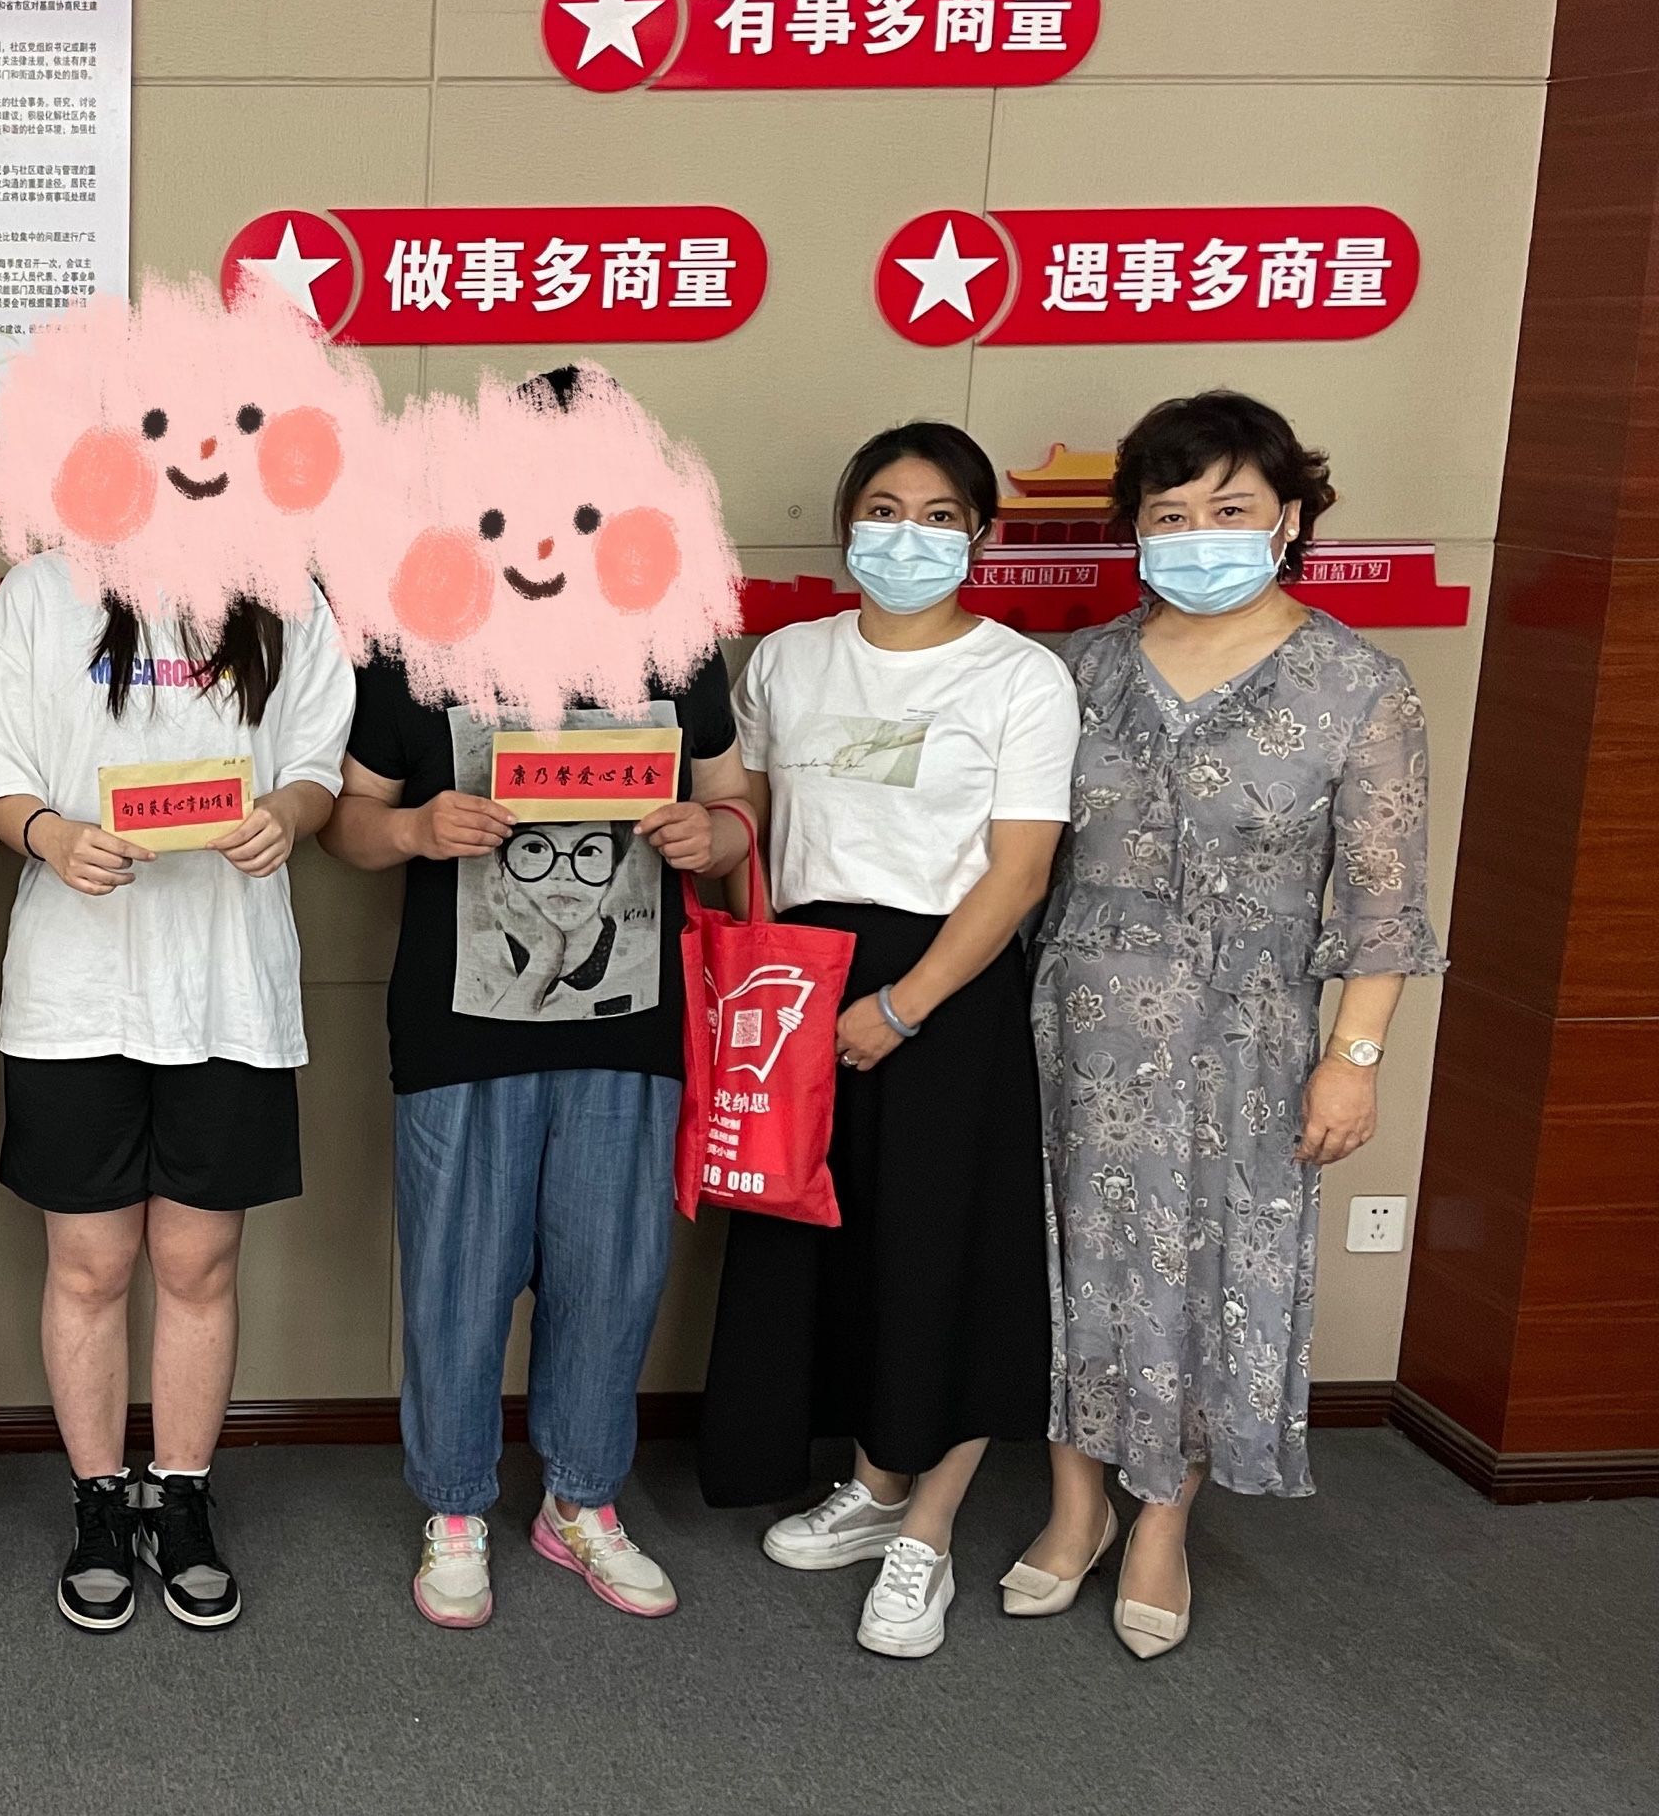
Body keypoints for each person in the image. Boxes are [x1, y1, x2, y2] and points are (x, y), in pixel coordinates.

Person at [1005, 393, 1444, 1658]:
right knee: (1068, 1259)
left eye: (1231, 509)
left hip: (1244, 1042)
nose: (1200, 536)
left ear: (1289, 517)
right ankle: (1075, 1507)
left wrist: (1353, 1061)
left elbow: (1382, 905)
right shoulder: (1077, 671)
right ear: (1136, 531)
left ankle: (1162, 1522)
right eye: (1172, 514)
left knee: (1207, 1273)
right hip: (1073, 1024)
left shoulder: (1358, 686)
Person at [322, 377, 758, 1629]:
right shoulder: (415, 642)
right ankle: (456, 1505)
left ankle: (582, 1500)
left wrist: (713, 834)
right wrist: (416, 829)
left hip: (632, 1024)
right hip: (459, 1029)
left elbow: (738, 806)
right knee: (458, 1282)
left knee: (610, 1278)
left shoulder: (676, 641)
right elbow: (346, 825)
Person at [696, 422, 1076, 1659]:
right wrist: (759, 967)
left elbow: (1019, 873)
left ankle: (927, 1534)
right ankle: (868, 1487)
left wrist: (906, 1005)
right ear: (846, 522)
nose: (906, 537)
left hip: (945, 993)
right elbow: (749, 824)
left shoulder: (1020, 678)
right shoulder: (788, 661)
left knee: (943, 1259)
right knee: (827, 1248)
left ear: (982, 536)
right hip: (802, 983)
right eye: (883, 510)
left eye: (939, 516)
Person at [0, 549, 353, 1633]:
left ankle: (181, 1494)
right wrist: (49, 835)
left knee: (198, 1263)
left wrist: (287, 814)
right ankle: (99, 1500)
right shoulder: (41, 593)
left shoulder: (285, 596)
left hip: (227, 986)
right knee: (88, 1266)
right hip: (76, 991)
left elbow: (317, 762)